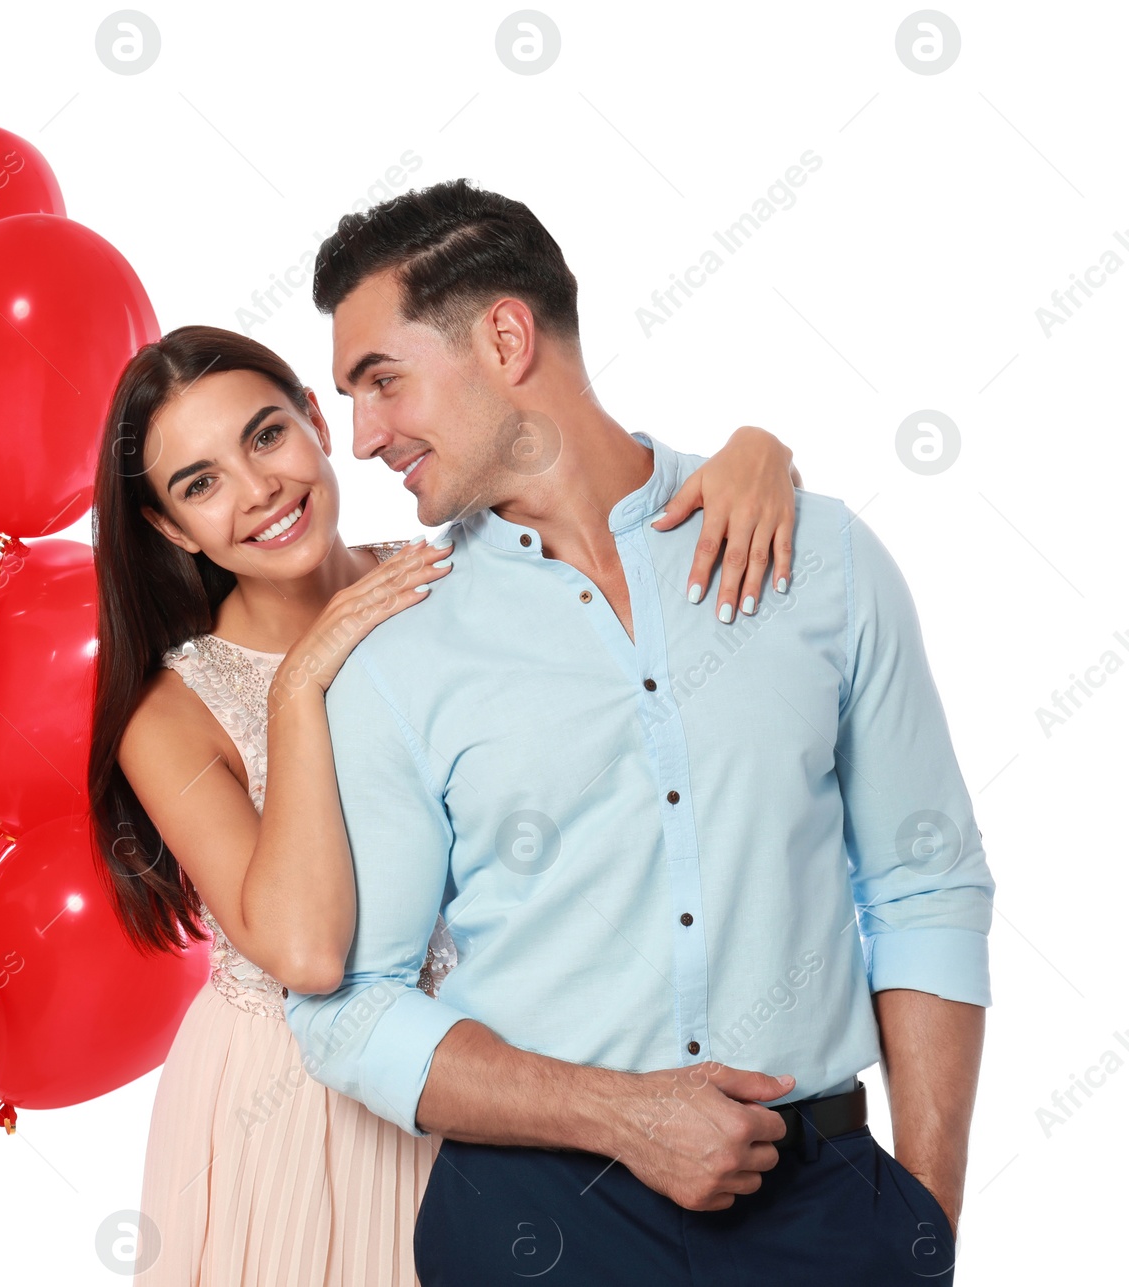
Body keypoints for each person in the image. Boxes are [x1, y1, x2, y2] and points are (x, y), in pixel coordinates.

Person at [280, 178, 994, 1286]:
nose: (362, 438)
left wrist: (924, 1218)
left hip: (826, 1214)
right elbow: (346, 1007)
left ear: (506, 337)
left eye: (382, 382)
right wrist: (617, 1114)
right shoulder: (391, 651)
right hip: (533, 1227)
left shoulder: (821, 557)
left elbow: (924, 886)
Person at [86, 320, 805, 1285]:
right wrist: (300, 685)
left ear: (316, 420)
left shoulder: (453, 574)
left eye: (265, 435)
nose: (258, 490)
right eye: (200, 483)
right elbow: (306, 952)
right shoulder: (170, 713)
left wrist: (759, 452)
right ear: (171, 529)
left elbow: (605, 525)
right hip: (292, 1111)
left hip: (490, 1076)